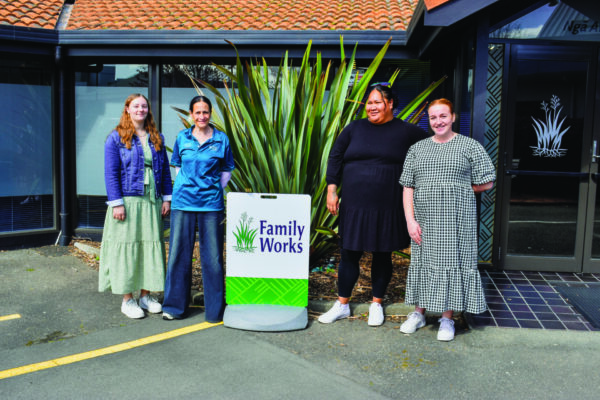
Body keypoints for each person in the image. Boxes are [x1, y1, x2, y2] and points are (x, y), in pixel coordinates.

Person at [318, 83, 429, 326]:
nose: (372, 107)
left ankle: (376, 304)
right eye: (369, 103)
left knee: (382, 254)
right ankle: (342, 304)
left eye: (377, 102)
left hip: (388, 205)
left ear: (390, 104)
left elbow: (434, 148)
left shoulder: (407, 132)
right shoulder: (354, 129)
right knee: (349, 253)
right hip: (355, 205)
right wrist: (331, 189)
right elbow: (335, 156)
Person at [399, 98, 495, 341]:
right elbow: (407, 187)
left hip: (456, 221)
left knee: (451, 264)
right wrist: (410, 220)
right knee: (423, 263)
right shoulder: (417, 149)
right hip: (424, 220)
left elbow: (488, 181)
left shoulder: (469, 146)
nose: (438, 121)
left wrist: (455, 189)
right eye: (433, 117)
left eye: (443, 116)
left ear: (453, 117)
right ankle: (418, 314)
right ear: (428, 121)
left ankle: (446, 318)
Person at [162, 95, 235, 323]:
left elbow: (227, 171)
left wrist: (209, 187)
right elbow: (177, 166)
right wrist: (189, 185)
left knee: (212, 258)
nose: (201, 116)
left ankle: (214, 311)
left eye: (205, 112)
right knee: (177, 255)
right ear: (191, 114)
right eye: (197, 112)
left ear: (210, 113)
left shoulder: (221, 139)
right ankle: (174, 307)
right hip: (183, 203)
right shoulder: (182, 138)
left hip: (211, 205)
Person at [99, 93, 173, 319]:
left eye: (144, 106)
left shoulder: (156, 136)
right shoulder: (115, 138)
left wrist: (167, 198)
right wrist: (117, 204)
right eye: (136, 106)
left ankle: (145, 295)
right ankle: (127, 299)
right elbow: (111, 174)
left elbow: (165, 171)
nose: (140, 109)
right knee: (128, 248)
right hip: (128, 202)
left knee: (149, 248)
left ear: (148, 110)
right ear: (127, 109)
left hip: (152, 201)